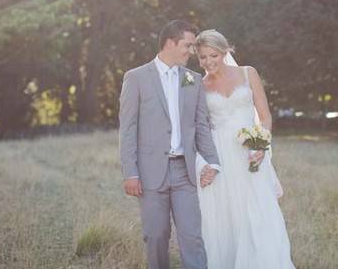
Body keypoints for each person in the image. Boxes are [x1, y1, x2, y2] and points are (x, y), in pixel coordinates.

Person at [119, 20, 221, 269]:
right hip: (150, 171)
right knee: (155, 237)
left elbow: (201, 125)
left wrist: (213, 161)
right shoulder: (136, 78)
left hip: (185, 172)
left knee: (192, 236)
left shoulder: (192, 79)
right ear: (169, 43)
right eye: (187, 45)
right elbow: (128, 129)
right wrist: (130, 172)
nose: (192, 51)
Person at [194, 29, 295, 269]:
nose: (208, 62)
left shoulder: (248, 74)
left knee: (260, 211)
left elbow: (265, 115)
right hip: (219, 154)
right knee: (224, 215)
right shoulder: (199, 84)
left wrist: (261, 144)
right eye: (202, 57)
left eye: (213, 55)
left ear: (225, 51)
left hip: (249, 152)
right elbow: (199, 126)